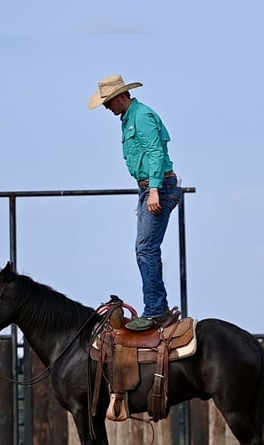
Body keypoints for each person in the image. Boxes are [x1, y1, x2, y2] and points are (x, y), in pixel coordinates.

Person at [88, 74, 182, 331]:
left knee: (146, 249)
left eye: (109, 103)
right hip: (150, 189)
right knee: (145, 248)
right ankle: (156, 308)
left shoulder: (141, 116)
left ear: (121, 97)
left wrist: (153, 190)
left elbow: (155, 152)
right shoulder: (129, 118)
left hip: (158, 188)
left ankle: (156, 311)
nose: (107, 108)